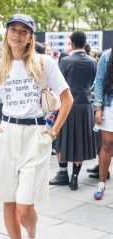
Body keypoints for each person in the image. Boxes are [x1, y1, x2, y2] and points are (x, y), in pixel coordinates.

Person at [0, 13, 73, 239]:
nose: (17, 34)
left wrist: (52, 131)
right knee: (9, 201)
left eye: (23, 31)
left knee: (25, 209)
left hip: (36, 135)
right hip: (8, 134)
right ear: (7, 34)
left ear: (30, 37)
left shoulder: (44, 63)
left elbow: (67, 99)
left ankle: (32, 236)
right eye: (13, 29)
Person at [50, 31, 97, 190]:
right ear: (85, 42)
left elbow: (58, 85)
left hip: (67, 105)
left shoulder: (65, 61)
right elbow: (92, 83)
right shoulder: (93, 61)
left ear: (71, 43)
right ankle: (75, 178)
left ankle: (63, 173)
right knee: (81, 141)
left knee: (61, 139)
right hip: (85, 106)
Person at [93, 43, 113, 200]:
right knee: (107, 144)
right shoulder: (107, 56)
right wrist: (98, 109)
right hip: (109, 104)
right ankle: (101, 183)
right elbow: (99, 83)